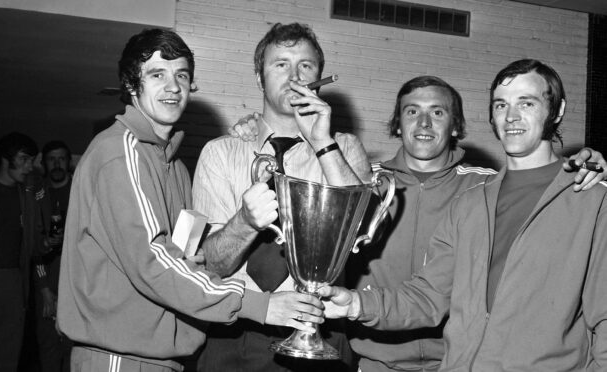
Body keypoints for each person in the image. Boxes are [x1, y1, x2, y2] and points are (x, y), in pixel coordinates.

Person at [230, 74, 606, 371]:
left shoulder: (574, 191)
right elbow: (428, 295)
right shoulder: (468, 201)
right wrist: (356, 305)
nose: (511, 116)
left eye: (527, 103)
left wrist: (591, 167)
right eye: (501, 104)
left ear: (556, 110)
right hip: (392, 359)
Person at [57, 28, 324, 372]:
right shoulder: (119, 152)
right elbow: (153, 263)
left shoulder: (174, 166)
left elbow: (187, 259)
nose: (173, 87)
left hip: (166, 358)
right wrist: (259, 305)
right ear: (129, 84)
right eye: (157, 75)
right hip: (121, 357)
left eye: (181, 75)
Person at [192, 22, 371, 371]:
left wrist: (322, 143)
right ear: (260, 78)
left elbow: (361, 232)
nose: (294, 76)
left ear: (318, 78)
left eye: (306, 66)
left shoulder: (345, 147)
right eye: (281, 64)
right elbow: (210, 267)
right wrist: (244, 222)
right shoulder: (220, 152)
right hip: (234, 330)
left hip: (320, 332)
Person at [0, 132, 43, 372]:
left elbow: (32, 244)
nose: (29, 166)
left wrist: (46, 243)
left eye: (32, 160)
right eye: (24, 159)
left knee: (8, 350)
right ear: (4, 159)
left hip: (12, 280)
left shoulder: (27, 195)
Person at [33, 140, 73, 372]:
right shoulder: (37, 195)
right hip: (46, 282)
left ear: (68, 162)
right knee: (47, 346)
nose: (57, 164)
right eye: (51, 159)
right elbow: (32, 248)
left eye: (61, 158)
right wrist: (46, 290)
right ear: (44, 163)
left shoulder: (81, 189)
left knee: (73, 347)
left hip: (76, 284)